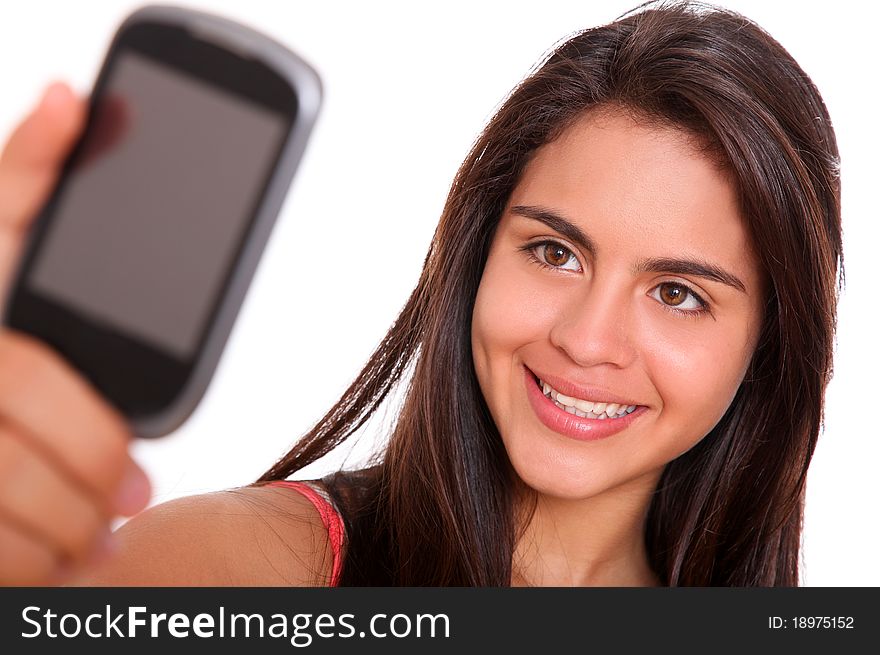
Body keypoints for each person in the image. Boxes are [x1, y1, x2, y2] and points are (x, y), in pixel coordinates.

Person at [0, 1, 841, 586]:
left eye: (678, 293)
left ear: (769, 341)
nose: (589, 340)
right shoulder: (229, 566)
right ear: (477, 255)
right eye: (553, 251)